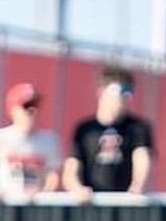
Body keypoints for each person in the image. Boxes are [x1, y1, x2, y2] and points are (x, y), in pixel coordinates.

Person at [63, 66, 154, 201]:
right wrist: (77, 188)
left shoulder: (138, 128)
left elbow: (141, 157)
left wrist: (138, 185)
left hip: (125, 204)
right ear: (102, 92)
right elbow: (71, 167)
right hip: (91, 205)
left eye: (128, 91)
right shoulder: (85, 130)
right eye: (119, 90)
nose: (125, 96)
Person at [0, 82, 61, 201]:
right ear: (12, 110)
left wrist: (42, 193)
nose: (32, 111)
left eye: (35, 106)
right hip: (5, 207)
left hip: (35, 208)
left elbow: (53, 176)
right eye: (26, 106)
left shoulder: (49, 140)